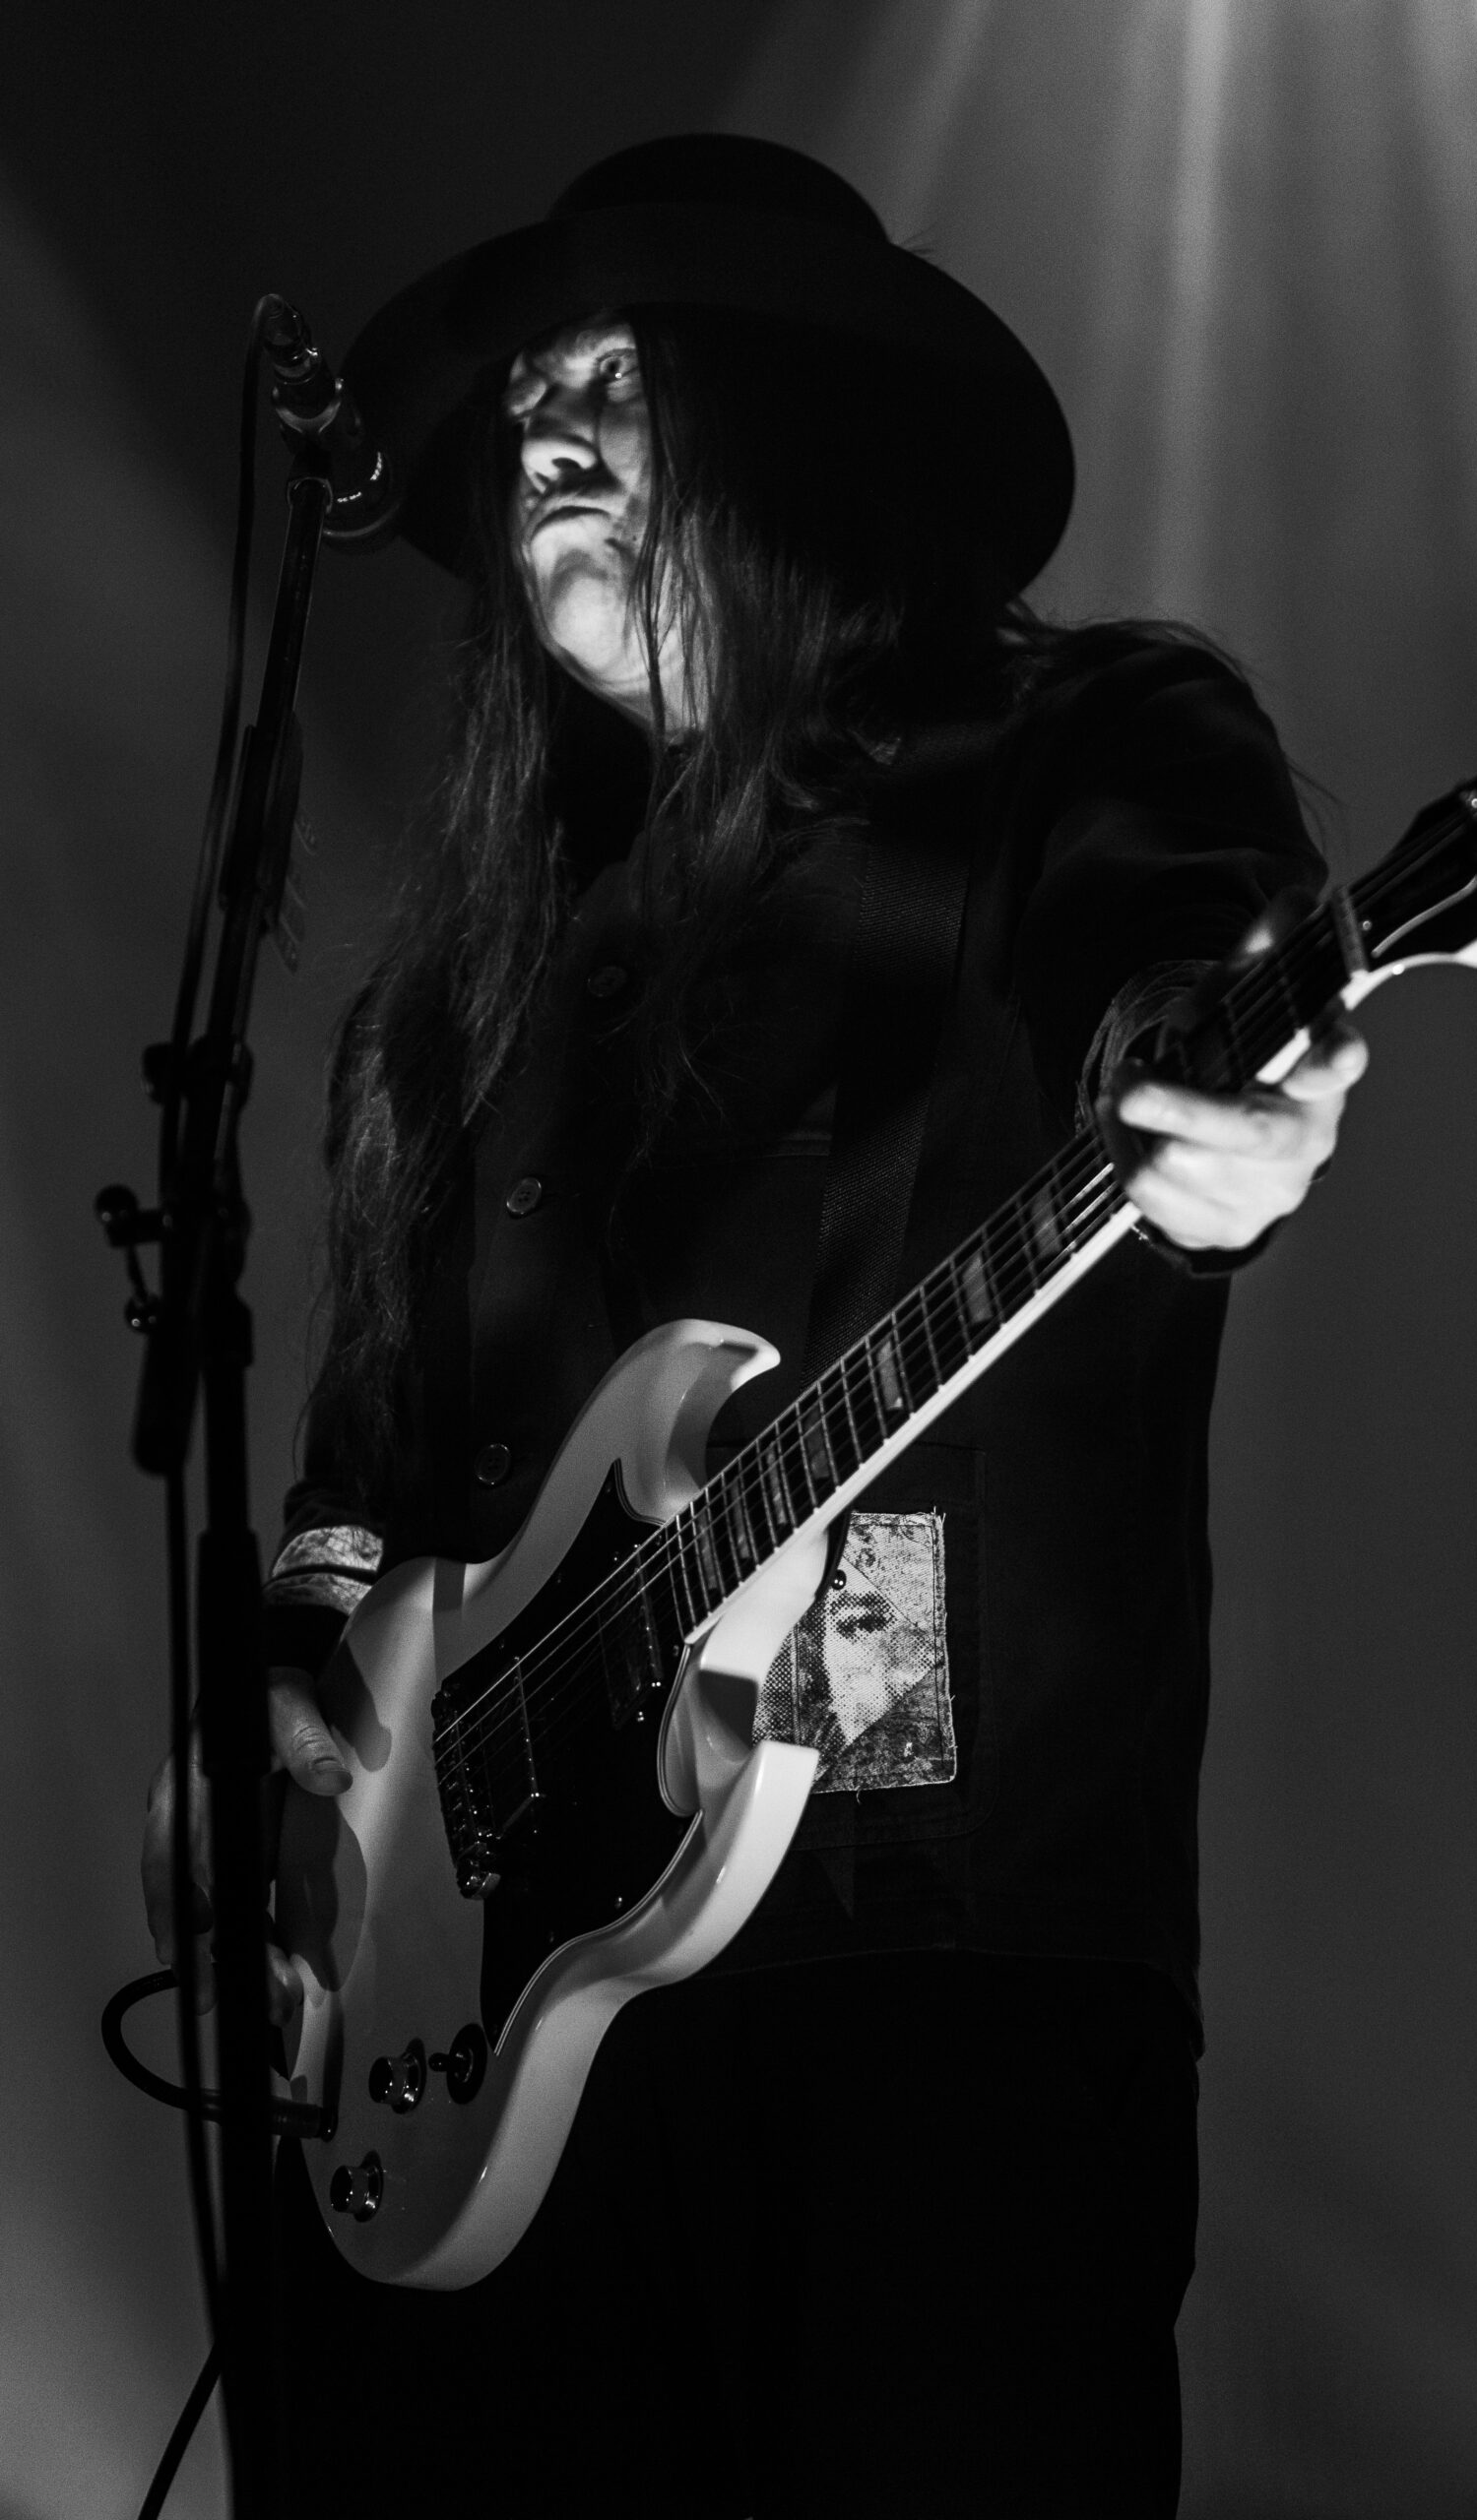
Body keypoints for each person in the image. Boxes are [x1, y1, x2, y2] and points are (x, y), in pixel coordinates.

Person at [142, 135, 1365, 2517]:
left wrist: (1236, 1105)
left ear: (800, 417)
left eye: (620, 374)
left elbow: (1178, 973)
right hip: (466, 2061)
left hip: (931, 1988)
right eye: (528, 394)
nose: (543, 429)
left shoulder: (1070, 746)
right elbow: (367, 1475)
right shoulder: (469, 985)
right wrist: (286, 1695)